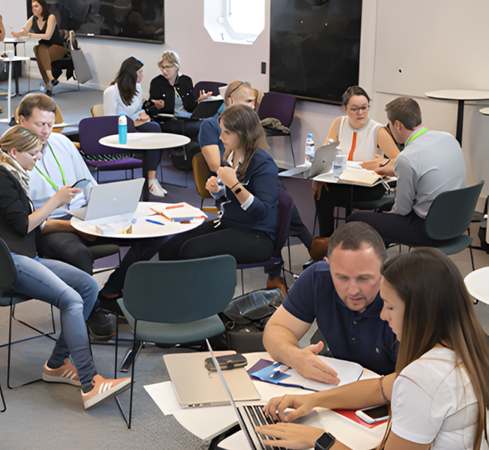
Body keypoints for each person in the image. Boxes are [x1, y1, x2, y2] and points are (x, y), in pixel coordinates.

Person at [258, 247, 489, 450]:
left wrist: (319, 439)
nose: (382, 315)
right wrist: (315, 400)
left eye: (389, 306)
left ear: (420, 312)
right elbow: (381, 388)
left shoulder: (423, 379)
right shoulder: (465, 349)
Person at [0, 125, 131, 409]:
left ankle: (57, 364)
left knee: (87, 286)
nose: (38, 159)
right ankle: (90, 382)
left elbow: (28, 225)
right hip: (11, 261)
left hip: (25, 255)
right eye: (34, 154)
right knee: (72, 299)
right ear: (14, 152)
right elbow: (25, 224)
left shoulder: (10, 173)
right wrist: (55, 201)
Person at [18, 93, 162, 334]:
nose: (45, 132)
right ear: (21, 120)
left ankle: (111, 291)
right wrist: (74, 225)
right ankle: (92, 310)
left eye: (50, 125)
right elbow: (26, 221)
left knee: (151, 233)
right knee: (78, 254)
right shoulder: (10, 154)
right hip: (49, 222)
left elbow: (87, 183)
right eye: (39, 124)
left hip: (83, 214)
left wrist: (101, 209)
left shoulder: (61, 143)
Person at [197, 80, 319, 288]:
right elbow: (219, 165)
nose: (252, 107)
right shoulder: (211, 125)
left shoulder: (249, 129)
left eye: (253, 102)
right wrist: (231, 180)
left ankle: (285, 264)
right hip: (228, 188)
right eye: (247, 101)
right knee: (280, 199)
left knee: (279, 198)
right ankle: (306, 251)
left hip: (244, 192)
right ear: (230, 101)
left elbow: (261, 164)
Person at [262, 222, 397, 384]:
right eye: (342, 278)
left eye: (364, 278)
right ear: (328, 265)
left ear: (383, 271)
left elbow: (413, 381)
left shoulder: (402, 302)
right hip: (339, 385)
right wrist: (295, 356)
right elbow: (276, 329)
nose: (353, 290)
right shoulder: (318, 278)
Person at [158, 105, 279, 284]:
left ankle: (195, 302)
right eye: (221, 131)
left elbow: (262, 212)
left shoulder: (263, 164)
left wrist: (234, 185)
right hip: (231, 223)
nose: (220, 137)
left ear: (243, 134)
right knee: (169, 248)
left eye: (226, 133)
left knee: (191, 250)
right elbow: (228, 203)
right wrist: (219, 191)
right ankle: (174, 298)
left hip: (257, 235)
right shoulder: (231, 155)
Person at [347, 97, 467, 246]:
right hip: (457, 220)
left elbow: (402, 211)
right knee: (383, 210)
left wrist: (389, 214)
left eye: (389, 125)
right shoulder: (448, 138)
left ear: (397, 125)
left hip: (428, 229)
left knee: (354, 219)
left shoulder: (406, 158)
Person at [313, 86, 401, 242]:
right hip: (342, 181)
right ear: (345, 109)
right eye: (354, 109)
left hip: (369, 187)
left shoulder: (377, 130)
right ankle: (326, 241)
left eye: (364, 108)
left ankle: (343, 242)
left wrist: (383, 162)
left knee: (329, 193)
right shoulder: (339, 123)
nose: (360, 112)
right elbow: (326, 154)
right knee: (322, 189)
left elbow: (400, 161)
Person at [103, 56, 167, 197]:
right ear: (132, 73)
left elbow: (137, 110)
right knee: (154, 129)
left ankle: (152, 178)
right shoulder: (111, 92)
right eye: (140, 73)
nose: (142, 76)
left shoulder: (137, 87)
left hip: (134, 125)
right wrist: (135, 122)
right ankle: (151, 180)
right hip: (120, 129)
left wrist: (143, 115)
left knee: (155, 131)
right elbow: (110, 120)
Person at [148, 50, 212, 138]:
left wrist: (199, 101)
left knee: (209, 124)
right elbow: (149, 110)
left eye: (168, 67)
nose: (164, 71)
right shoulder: (157, 82)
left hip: (187, 119)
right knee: (202, 127)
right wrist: (157, 107)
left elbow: (191, 107)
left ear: (176, 67)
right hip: (169, 120)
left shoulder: (186, 80)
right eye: (162, 67)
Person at [12, 0, 65, 94]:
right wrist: (17, 34)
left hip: (57, 47)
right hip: (44, 48)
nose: (34, 9)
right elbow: (24, 30)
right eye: (32, 7)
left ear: (43, 7)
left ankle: (48, 84)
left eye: (36, 6)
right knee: (38, 49)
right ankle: (51, 79)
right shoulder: (33, 19)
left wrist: (29, 35)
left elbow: (47, 36)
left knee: (38, 51)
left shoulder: (51, 17)